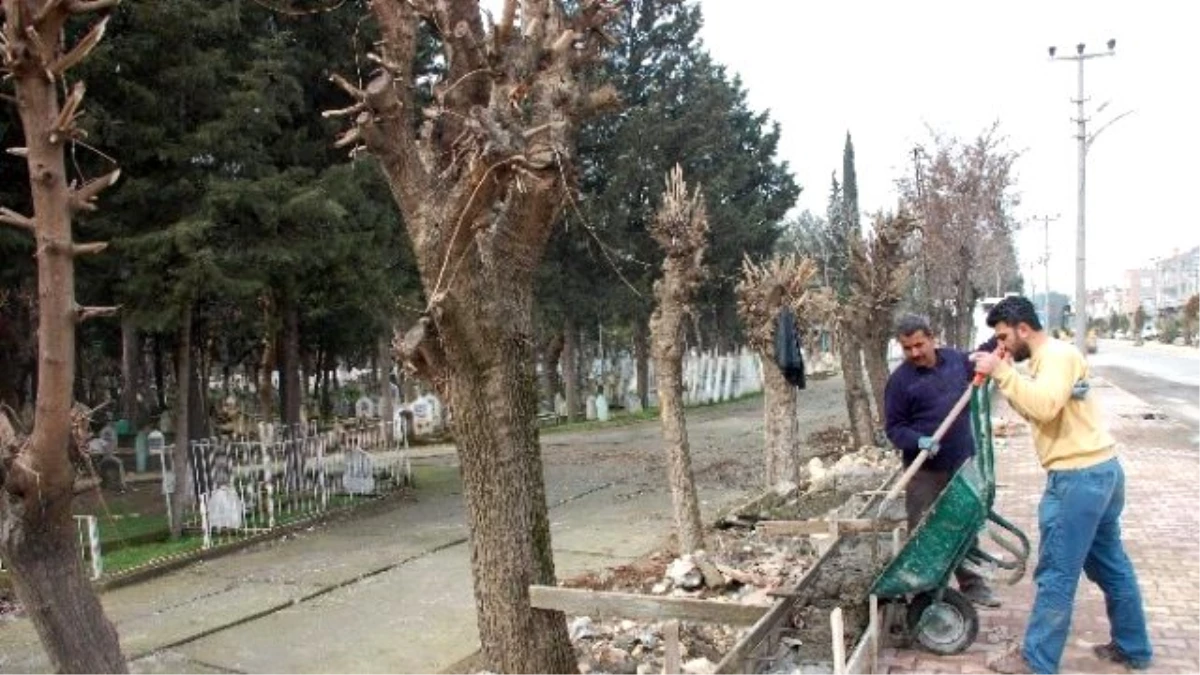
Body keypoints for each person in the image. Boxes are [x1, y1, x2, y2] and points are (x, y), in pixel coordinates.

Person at [972, 296, 1152, 675]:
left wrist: (1002, 373)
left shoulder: (1054, 356)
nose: (1002, 346)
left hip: (1077, 478)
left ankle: (1036, 661)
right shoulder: (1049, 360)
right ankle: (1133, 647)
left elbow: (1045, 407)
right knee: (1110, 564)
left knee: (1057, 572)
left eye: (1004, 337)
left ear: (1023, 328)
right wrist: (1008, 376)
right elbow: (1037, 411)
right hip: (1099, 470)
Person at [884, 314, 1000, 608]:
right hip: (924, 470)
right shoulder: (900, 382)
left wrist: (1004, 336)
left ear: (932, 338)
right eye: (907, 348)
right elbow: (894, 428)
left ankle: (972, 584)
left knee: (964, 524)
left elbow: (984, 355)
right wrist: (918, 440)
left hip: (961, 462)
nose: (914, 353)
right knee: (923, 530)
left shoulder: (955, 361)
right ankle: (923, 590)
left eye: (919, 345)